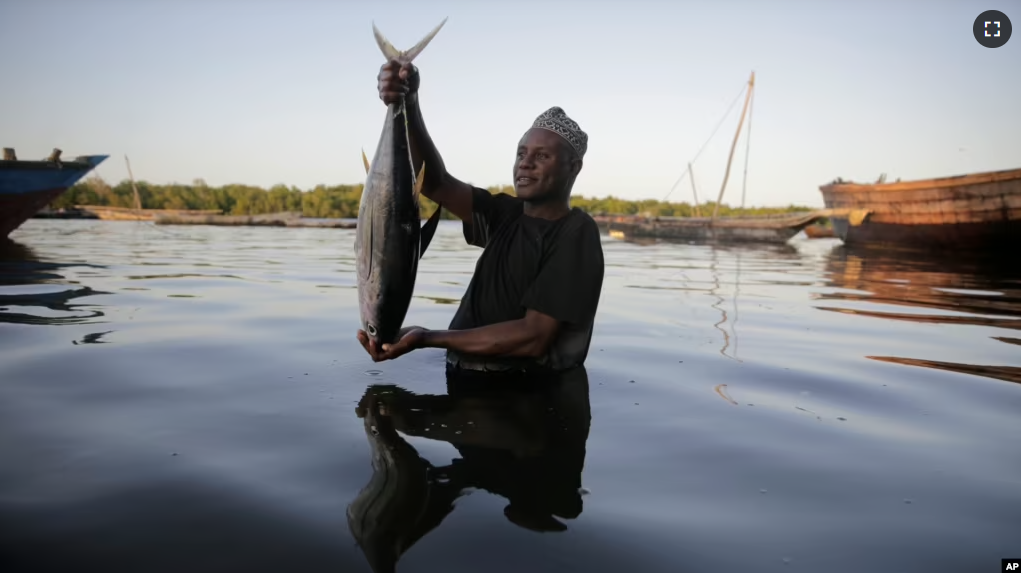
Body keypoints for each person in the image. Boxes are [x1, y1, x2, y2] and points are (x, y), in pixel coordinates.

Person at [356, 59, 604, 373]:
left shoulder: (576, 233)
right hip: (470, 395)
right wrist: (408, 101)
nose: (525, 164)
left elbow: (534, 338)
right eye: (521, 153)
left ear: (573, 167)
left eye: (542, 156)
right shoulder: (506, 214)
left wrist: (427, 338)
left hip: (527, 405)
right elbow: (435, 183)